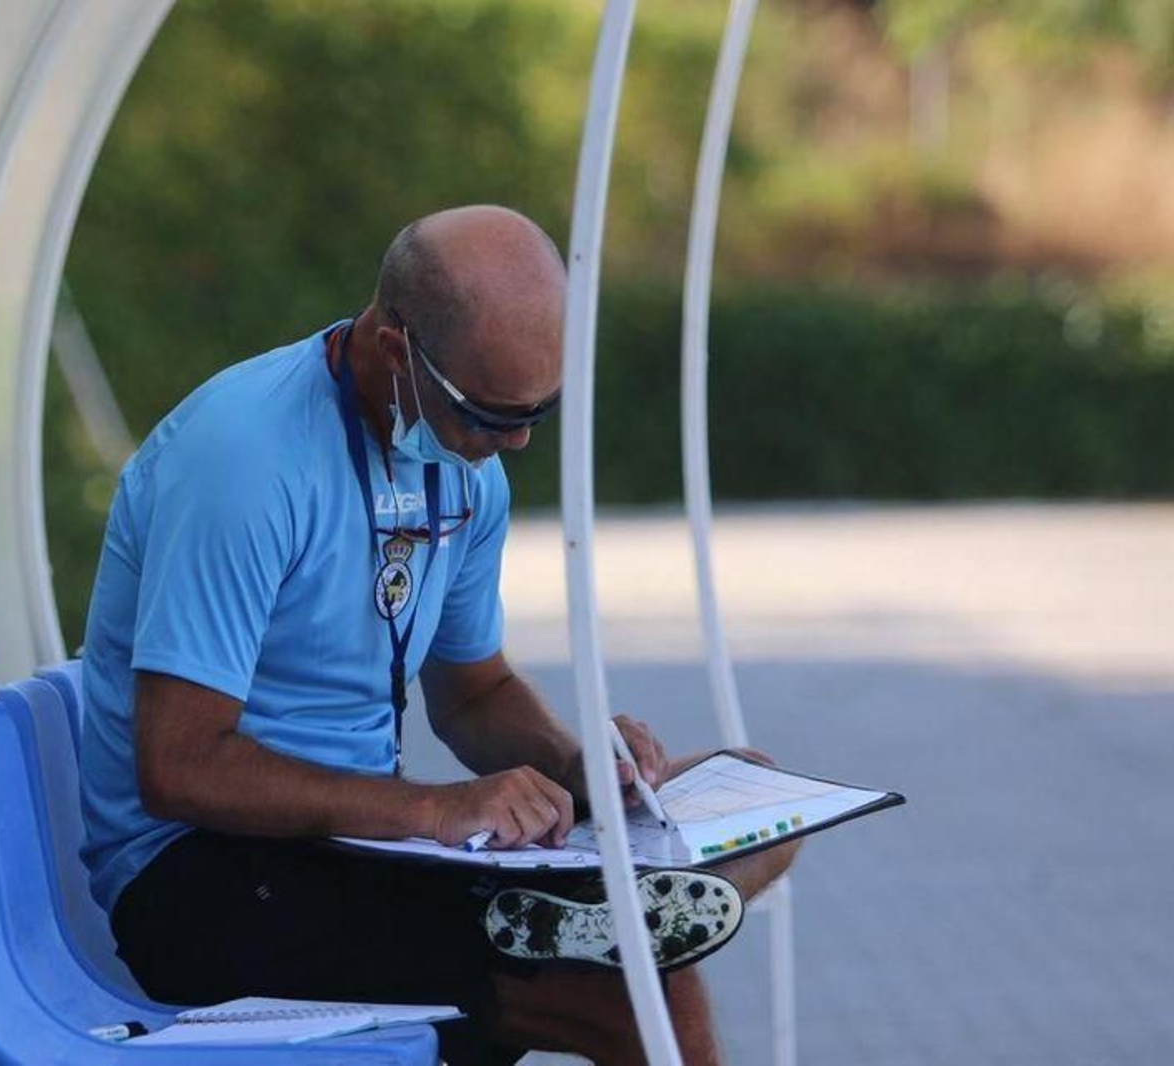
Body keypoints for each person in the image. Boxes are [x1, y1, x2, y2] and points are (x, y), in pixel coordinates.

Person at [78, 205, 798, 1064]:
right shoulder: (242, 461)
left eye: (541, 411)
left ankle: (600, 900)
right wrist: (431, 809)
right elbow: (179, 765)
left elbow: (475, 694)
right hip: (198, 879)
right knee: (640, 989)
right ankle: (597, 921)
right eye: (492, 414)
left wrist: (583, 770)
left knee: (758, 806)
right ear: (396, 348)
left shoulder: (463, 465)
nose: (516, 443)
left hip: (358, 850)